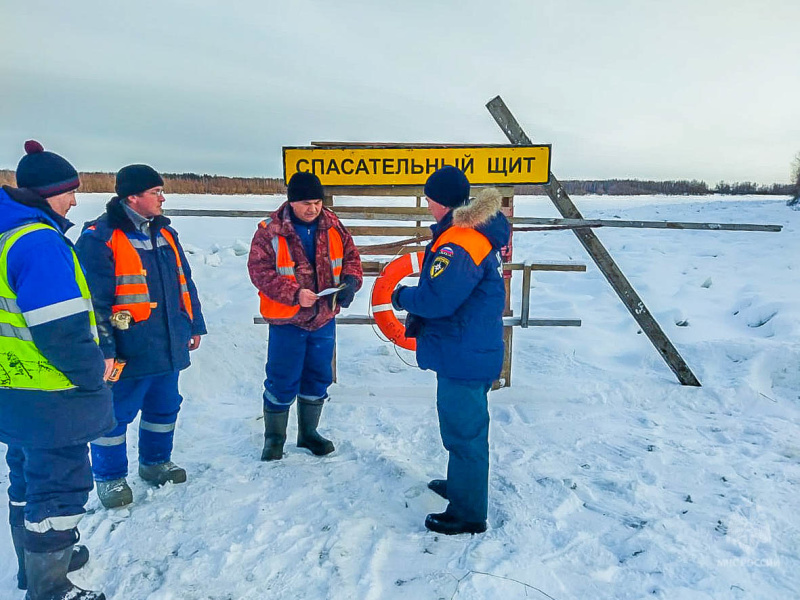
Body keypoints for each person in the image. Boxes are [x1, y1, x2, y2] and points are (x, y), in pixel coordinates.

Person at [0, 141, 113, 599]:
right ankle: (49, 588)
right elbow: (62, 330)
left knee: (26, 477)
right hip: (52, 392)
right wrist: (92, 376)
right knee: (59, 488)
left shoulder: (8, 234)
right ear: (48, 193)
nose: (73, 201)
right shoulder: (39, 242)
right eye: (69, 192)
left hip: (15, 385)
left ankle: (36, 565)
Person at [75, 164, 206, 509]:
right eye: (156, 192)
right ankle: (110, 478)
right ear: (132, 196)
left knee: (164, 408)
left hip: (166, 343)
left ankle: (155, 463)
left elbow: (184, 283)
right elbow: (95, 303)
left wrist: (193, 325)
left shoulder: (165, 234)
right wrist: (105, 349)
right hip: (127, 349)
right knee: (113, 416)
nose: (162, 198)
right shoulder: (99, 238)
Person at [390, 166, 510, 535]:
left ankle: (469, 512)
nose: (427, 204)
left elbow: (438, 298)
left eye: (428, 198)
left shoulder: (459, 241)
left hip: (465, 352)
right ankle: (461, 487)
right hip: (468, 346)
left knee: (465, 433)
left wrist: (402, 296)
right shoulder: (470, 233)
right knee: (460, 428)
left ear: (437, 201)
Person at [248, 171, 362, 461]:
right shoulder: (269, 230)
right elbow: (259, 272)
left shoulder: (334, 225)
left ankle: (309, 433)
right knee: (281, 378)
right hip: (288, 320)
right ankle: (274, 438)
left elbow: (352, 259)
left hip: (324, 318)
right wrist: (294, 293)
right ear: (291, 203)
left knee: (318, 376)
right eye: (305, 203)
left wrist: (350, 282)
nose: (312, 209)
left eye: (317, 202)